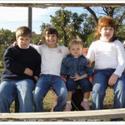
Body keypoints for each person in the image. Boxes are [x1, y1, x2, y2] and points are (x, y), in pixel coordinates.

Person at [86, 16, 125, 109]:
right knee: (97, 89)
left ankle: (117, 116)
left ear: (114, 31)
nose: (108, 31)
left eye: (111, 29)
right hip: (100, 72)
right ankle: (97, 115)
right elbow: (89, 60)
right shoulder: (95, 44)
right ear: (100, 30)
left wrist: (116, 74)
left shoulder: (117, 43)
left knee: (122, 88)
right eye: (105, 29)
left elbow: (122, 62)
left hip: (116, 71)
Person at [0, 26, 41, 112]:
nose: (24, 42)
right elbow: (8, 63)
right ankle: (3, 118)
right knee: (1, 93)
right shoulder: (11, 50)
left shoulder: (34, 52)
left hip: (25, 79)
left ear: (30, 39)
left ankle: (25, 119)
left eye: (26, 39)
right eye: (21, 39)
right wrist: (24, 70)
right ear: (17, 39)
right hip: (9, 79)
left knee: (25, 94)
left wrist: (36, 75)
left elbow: (38, 64)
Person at [33, 27, 68, 112]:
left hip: (58, 77)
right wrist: (15, 43)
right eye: (48, 36)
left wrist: (66, 74)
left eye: (53, 36)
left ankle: (56, 112)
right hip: (43, 77)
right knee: (36, 95)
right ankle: (40, 114)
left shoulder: (63, 49)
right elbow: (27, 45)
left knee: (63, 94)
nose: (51, 38)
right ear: (44, 38)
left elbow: (75, 53)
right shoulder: (41, 48)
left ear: (57, 38)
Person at [61, 39, 93, 111]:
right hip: (71, 77)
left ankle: (85, 101)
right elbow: (64, 68)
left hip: (82, 77)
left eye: (78, 49)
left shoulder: (84, 59)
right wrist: (63, 76)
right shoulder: (66, 59)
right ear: (69, 50)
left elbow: (89, 71)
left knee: (87, 84)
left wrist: (81, 77)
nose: (76, 51)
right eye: (73, 49)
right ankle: (68, 103)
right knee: (69, 84)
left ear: (82, 49)